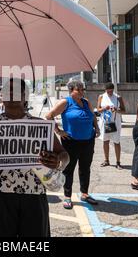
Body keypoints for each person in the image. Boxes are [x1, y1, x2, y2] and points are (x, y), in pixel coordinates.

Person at [0, 78, 69, 237]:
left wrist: (59, 163)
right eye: (6, 90)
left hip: (34, 197)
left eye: (15, 90)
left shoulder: (40, 125)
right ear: (1, 96)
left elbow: (64, 155)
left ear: (25, 96)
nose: (11, 94)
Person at [46, 79, 100, 209]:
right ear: (71, 90)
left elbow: (92, 116)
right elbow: (49, 115)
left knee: (85, 168)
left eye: (83, 89)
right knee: (69, 169)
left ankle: (85, 193)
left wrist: (96, 128)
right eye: (79, 89)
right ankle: (68, 196)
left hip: (88, 141)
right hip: (71, 142)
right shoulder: (66, 102)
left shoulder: (86, 102)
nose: (82, 92)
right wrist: (58, 131)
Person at [97, 82, 126, 169]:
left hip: (115, 123)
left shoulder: (118, 97)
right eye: (108, 91)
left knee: (116, 141)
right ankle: (106, 160)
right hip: (105, 122)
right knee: (105, 141)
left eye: (111, 91)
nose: (109, 93)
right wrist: (104, 108)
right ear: (105, 90)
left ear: (113, 90)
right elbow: (98, 110)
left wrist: (116, 109)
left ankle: (118, 162)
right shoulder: (101, 96)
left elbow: (124, 110)